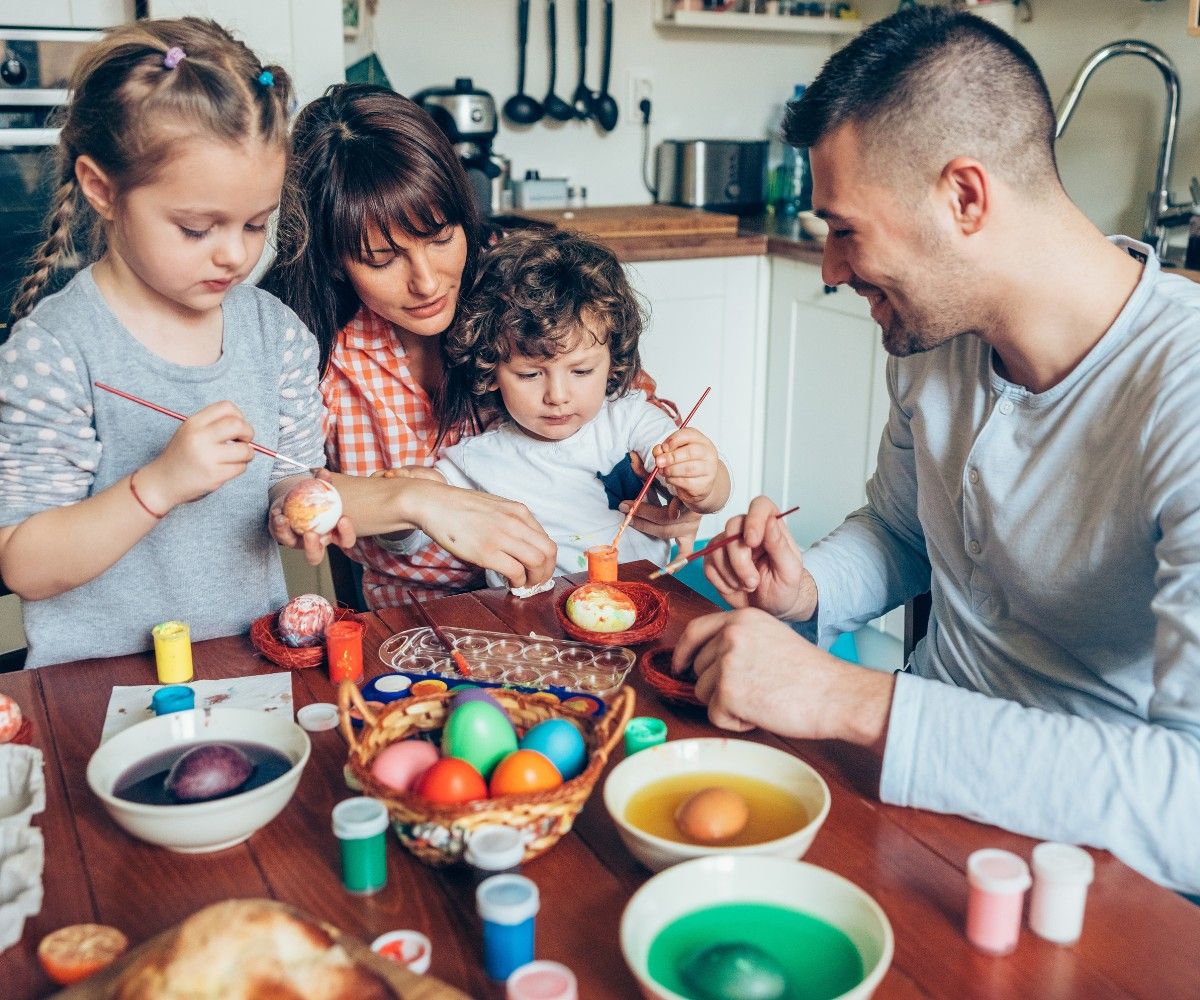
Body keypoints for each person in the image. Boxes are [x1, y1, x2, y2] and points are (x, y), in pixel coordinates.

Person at [675, 6, 1200, 895]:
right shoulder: (939, 342)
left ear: (965, 196)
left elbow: (1185, 803)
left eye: (844, 228)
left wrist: (844, 697)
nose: (832, 270)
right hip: (905, 794)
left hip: (1092, 864)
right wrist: (807, 590)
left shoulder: (1182, 396)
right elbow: (904, 529)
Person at [263, 84, 695, 606]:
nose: (426, 281)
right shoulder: (306, 345)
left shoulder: (513, 281)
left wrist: (672, 479)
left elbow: (627, 396)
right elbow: (287, 496)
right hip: (420, 617)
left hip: (571, 593)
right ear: (334, 259)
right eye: (381, 259)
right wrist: (419, 500)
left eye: (441, 238)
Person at [0, 19, 339, 668]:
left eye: (254, 224)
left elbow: (288, 473)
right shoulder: (54, 352)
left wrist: (292, 507)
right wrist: (159, 484)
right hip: (97, 694)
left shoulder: (277, 336)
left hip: (245, 670)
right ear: (102, 189)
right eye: (194, 228)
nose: (234, 254)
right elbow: (26, 565)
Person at [385, 228, 729, 584]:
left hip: (644, 602)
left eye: (581, 371)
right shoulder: (474, 461)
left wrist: (705, 481)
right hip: (534, 626)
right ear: (491, 371)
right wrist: (411, 494)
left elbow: (709, 494)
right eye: (530, 374)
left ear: (613, 361)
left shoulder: (630, 418)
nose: (557, 396)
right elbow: (406, 542)